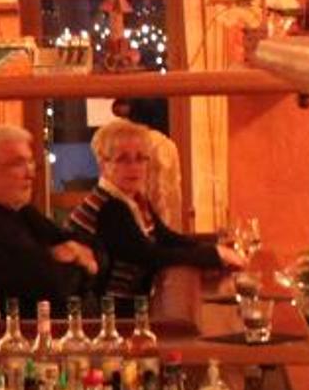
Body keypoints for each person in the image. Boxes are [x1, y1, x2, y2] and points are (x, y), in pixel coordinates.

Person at [64, 119, 244, 305]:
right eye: (123, 159)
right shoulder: (109, 207)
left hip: (125, 304)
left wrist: (215, 249)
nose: (134, 167)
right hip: (104, 313)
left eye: (140, 158)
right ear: (103, 165)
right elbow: (149, 255)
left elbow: (166, 237)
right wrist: (213, 255)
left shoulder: (133, 198)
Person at [0, 124, 96, 317]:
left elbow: (94, 251)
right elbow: (56, 288)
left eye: (30, 162)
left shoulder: (21, 212)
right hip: (27, 333)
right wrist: (75, 258)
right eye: (18, 164)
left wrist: (68, 253)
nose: (30, 174)